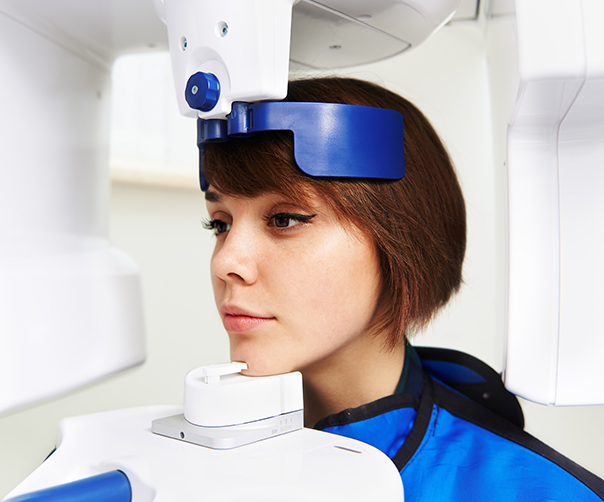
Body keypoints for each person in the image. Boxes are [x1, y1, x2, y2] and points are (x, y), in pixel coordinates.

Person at [201, 77, 604, 500]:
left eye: (284, 219)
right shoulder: (190, 463)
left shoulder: (538, 492)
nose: (226, 262)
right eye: (220, 223)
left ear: (400, 240)